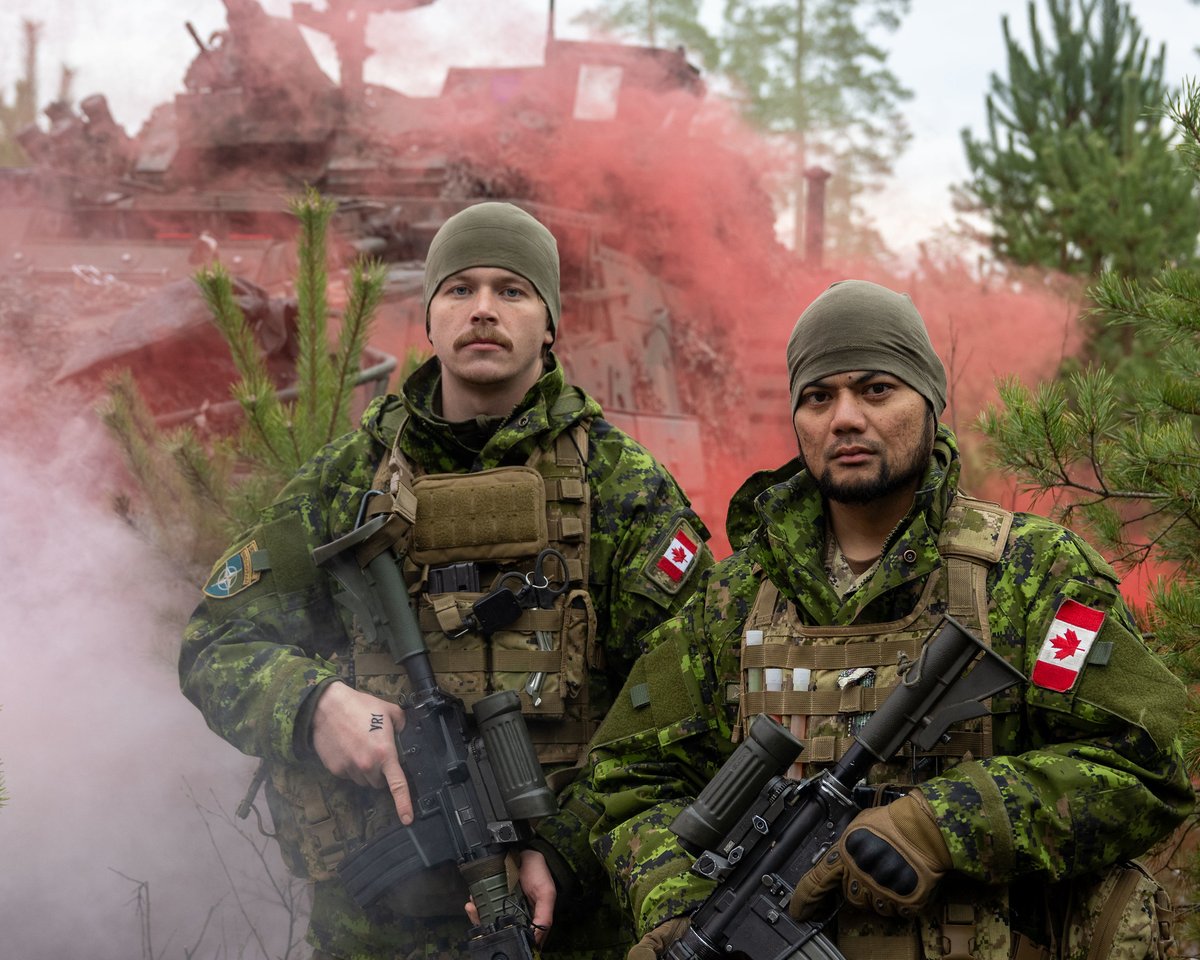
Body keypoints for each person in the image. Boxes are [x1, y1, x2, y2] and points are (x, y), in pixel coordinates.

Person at [584, 279, 1191, 960]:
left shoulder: (1032, 575)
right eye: (819, 397)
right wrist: (680, 906)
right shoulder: (728, 601)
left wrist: (945, 824)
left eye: (876, 390)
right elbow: (630, 779)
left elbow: (1150, 758)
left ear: (930, 403)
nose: (845, 418)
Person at [179, 201, 714, 960]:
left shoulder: (623, 488)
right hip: (373, 935)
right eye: (459, 289)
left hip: (569, 924)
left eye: (512, 290)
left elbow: (686, 704)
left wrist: (564, 845)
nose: (484, 310)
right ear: (428, 320)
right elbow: (214, 641)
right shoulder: (342, 485)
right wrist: (312, 703)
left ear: (550, 322)